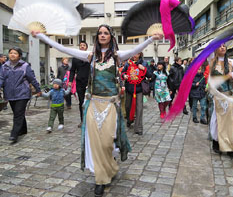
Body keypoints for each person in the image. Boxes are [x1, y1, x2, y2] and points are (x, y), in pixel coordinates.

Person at [32, 25, 163, 196]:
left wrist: (152, 39)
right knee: (95, 144)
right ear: (97, 36)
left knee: (107, 142)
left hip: (111, 105)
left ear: (111, 36)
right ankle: (100, 179)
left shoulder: (117, 56)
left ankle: (111, 166)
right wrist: (43, 37)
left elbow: (136, 49)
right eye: (100, 33)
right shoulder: (90, 56)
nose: (102, 35)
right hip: (93, 104)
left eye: (105, 33)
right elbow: (62, 48)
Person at [209, 44, 233, 160]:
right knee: (216, 120)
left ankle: (231, 148)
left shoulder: (231, 62)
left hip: (229, 95)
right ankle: (216, 142)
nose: (222, 47)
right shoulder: (211, 62)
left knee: (232, 122)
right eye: (219, 46)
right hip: (218, 96)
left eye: (224, 46)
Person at [0, 47, 41, 143]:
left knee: (18, 113)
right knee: (17, 112)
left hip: (23, 93)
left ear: (19, 55)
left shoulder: (25, 66)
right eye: (11, 53)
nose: (12, 54)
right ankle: (23, 129)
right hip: (10, 93)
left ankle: (14, 134)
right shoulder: (4, 66)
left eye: (15, 53)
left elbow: (32, 79)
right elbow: (1, 78)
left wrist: (38, 90)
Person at [121, 52, 151, 135]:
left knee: (139, 108)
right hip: (129, 88)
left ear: (140, 55)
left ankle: (138, 128)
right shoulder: (128, 63)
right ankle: (129, 119)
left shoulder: (144, 63)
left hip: (139, 88)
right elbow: (123, 72)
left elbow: (149, 75)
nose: (135, 55)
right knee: (128, 106)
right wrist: (124, 76)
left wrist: (143, 69)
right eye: (134, 54)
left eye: (137, 54)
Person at [69, 41, 91, 128]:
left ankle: (90, 120)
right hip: (79, 82)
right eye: (80, 45)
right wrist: (70, 81)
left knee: (90, 102)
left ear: (86, 47)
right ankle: (83, 120)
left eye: (84, 45)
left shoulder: (90, 56)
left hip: (89, 82)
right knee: (81, 102)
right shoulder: (75, 58)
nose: (82, 46)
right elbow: (72, 70)